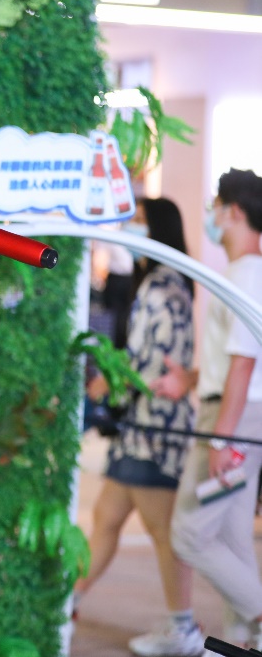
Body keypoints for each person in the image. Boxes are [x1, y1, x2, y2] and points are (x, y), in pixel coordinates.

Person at [74, 198, 199, 656]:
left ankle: (182, 626)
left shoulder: (163, 285)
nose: (130, 228)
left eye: (139, 221)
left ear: (158, 229)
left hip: (155, 430)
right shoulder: (162, 282)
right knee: (108, 518)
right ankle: (70, 600)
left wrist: (112, 380)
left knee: (162, 530)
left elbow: (155, 362)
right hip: (139, 429)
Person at [158, 168, 262, 650]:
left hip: (232, 419)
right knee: (235, 537)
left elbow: (244, 363)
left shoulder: (247, 275)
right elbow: (234, 359)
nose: (212, 215)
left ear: (234, 211)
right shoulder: (244, 274)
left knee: (189, 535)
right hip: (238, 413)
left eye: (216, 206)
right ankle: (246, 640)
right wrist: (190, 379)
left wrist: (222, 437)